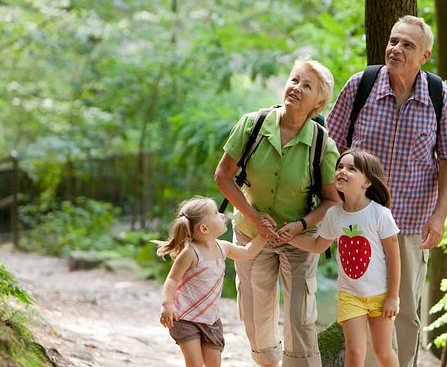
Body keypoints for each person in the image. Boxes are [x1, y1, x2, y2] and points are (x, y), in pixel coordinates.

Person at [326, 15, 447, 366]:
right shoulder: (362, 85)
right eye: (393, 41)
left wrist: (440, 215)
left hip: (410, 221)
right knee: (359, 304)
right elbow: (330, 147)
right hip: (357, 220)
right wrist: (333, 201)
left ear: (425, 56)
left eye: (407, 45)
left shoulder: (439, 96)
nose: (396, 49)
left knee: (402, 309)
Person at [214, 57, 341, 367]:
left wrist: (301, 225)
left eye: (306, 86)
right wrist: (255, 217)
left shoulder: (323, 145)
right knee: (257, 312)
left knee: (300, 315)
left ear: (318, 102)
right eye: (294, 80)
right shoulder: (252, 125)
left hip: (298, 239)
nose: (296, 88)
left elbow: (332, 200)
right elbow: (223, 176)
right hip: (250, 233)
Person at [289, 149, 400, 367]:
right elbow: (317, 245)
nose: (341, 171)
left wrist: (393, 297)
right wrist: (288, 238)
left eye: (351, 168)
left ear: (367, 182)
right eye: (339, 167)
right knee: (354, 352)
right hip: (351, 295)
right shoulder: (334, 214)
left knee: (382, 350)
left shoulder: (380, 214)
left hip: (381, 294)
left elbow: (394, 259)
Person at [154, 196, 269, 367]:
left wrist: (264, 234)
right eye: (216, 213)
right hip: (185, 318)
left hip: (211, 319)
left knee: (214, 363)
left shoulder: (223, 247)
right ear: (204, 228)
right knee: (194, 363)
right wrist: (166, 305)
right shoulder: (190, 253)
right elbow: (172, 279)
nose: (222, 215)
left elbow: (247, 252)